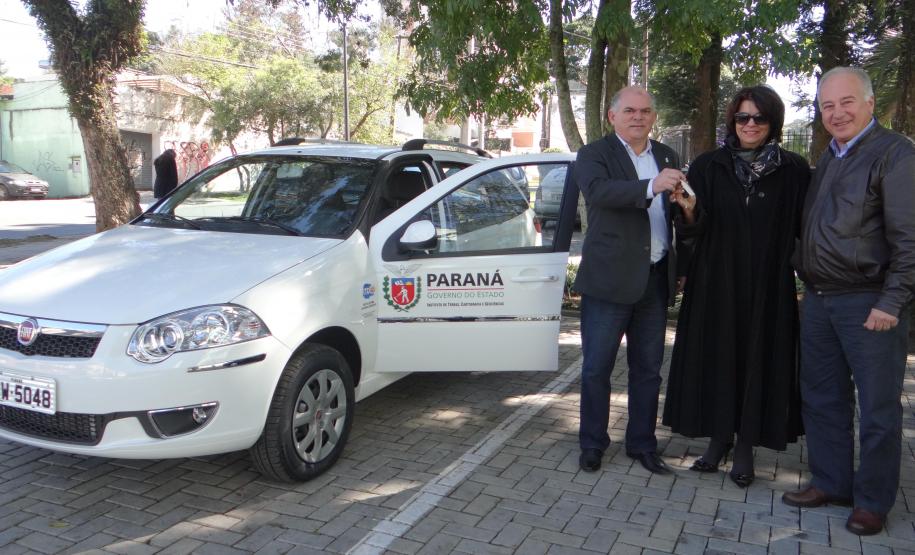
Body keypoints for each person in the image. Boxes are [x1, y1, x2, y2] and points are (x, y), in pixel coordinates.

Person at [782, 67, 915, 536]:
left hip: (870, 303)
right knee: (822, 398)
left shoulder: (895, 155)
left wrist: (892, 301)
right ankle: (831, 482)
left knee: (878, 408)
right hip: (820, 299)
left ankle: (873, 501)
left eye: (846, 102)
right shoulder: (831, 157)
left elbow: (910, 240)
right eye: (826, 106)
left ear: (870, 103)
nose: (836, 113)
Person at [662, 86, 810, 488]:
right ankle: (718, 440)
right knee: (719, 359)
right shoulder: (710, 165)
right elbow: (693, 229)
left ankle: (745, 445)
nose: (750, 125)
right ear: (732, 121)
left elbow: (805, 229)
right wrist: (690, 211)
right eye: (743, 117)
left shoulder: (794, 169)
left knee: (758, 360)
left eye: (759, 118)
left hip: (767, 285)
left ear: (772, 123)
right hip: (716, 283)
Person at [573, 86, 689, 474]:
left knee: (648, 370)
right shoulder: (594, 154)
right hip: (609, 282)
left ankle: (642, 444)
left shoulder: (667, 156)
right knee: (595, 368)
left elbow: (677, 217)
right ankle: (592, 443)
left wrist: (686, 206)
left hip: (654, 280)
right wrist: (650, 186)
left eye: (645, 111)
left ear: (654, 117)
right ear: (612, 116)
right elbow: (600, 193)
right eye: (630, 111)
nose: (638, 117)